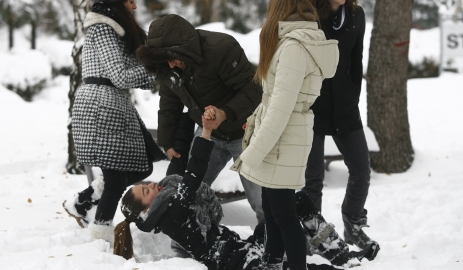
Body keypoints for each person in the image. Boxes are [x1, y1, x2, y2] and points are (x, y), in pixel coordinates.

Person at [112, 113, 377, 270]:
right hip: (241, 264)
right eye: (146, 192)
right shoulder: (171, 215)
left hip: (245, 250)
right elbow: (192, 176)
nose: (151, 186)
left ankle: (340, 253)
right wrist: (205, 132)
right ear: (146, 210)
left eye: (146, 184)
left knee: (293, 202)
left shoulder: (169, 206)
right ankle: (345, 264)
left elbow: (185, 178)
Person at [229, 0, 340, 269]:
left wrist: (253, 152)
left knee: (284, 214)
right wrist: (256, 124)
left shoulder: (293, 47)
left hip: (284, 138)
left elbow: (280, 109)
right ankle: (272, 262)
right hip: (282, 135)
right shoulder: (293, 41)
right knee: (272, 209)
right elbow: (274, 102)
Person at [135, 14, 265, 224]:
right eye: (163, 59)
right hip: (208, 135)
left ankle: (276, 248)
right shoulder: (167, 66)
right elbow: (169, 105)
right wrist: (167, 142)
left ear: (185, 48)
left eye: (172, 56)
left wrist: (224, 113)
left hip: (246, 132)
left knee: (262, 200)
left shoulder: (221, 48)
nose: (170, 64)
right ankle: (191, 240)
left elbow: (253, 89)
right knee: (187, 190)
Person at [62, 0, 166, 243]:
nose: (135, 7)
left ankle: (83, 202)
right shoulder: (103, 28)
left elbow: (123, 70)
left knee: (143, 165)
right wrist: (153, 70)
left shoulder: (115, 29)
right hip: (101, 106)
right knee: (117, 178)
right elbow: (119, 75)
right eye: (131, 1)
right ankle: (100, 233)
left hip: (112, 105)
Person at [302, 0, 380, 252]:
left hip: (345, 107)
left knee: (361, 169)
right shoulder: (309, 12)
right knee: (312, 178)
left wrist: (352, 97)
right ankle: (314, 236)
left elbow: (356, 60)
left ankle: (352, 224)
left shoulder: (356, 15)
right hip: (312, 105)